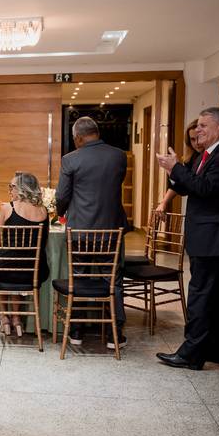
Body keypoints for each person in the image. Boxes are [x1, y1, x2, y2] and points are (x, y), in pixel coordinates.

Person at [155, 107, 219, 370]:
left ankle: (191, 354)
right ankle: (213, 350)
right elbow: (186, 186)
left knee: (201, 296)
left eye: (203, 125)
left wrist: (177, 168)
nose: (198, 130)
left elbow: (206, 188)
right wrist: (173, 171)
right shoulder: (204, 154)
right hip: (205, 235)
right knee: (211, 296)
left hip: (213, 236)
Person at [56, 116, 129, 349]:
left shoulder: (70, 159)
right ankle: (115, 333)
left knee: (79, 277)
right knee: (113, 280)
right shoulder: (119, 156)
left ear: (78, 138)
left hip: (80, 230)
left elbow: (62, 196)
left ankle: (77, 330)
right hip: (111, 230)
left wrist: (60, 212)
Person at [0, 171, 50, 337]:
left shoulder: (7, 208)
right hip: (34, 272)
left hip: (7, 270)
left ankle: (4, 317)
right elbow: (44, 243)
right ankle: (16, 318)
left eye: (12, 186)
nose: (10, 190)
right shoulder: (44, 211)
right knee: (17, 266)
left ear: (22, 188)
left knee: (1, 267)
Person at [156, 119, 201, 213]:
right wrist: (171, 172)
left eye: (199, 138)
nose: (197, 143)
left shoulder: (211, 156)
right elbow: (183, 188)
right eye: (192, 139)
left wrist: (175, 168)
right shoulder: (191, 158)